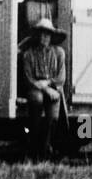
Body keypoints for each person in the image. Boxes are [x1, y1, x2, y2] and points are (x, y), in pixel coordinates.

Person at [20, 17, 68, 158]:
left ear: (51, 37)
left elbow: (61, 78)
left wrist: (47, 84)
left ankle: (45, 149)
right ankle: (34, 148)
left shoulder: (59, 53)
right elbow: (28, 79)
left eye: (47, 34)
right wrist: (44, 88)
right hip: (35, 88)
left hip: (53, 88)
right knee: (37, 99)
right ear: (37, 35)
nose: (44, 37)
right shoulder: (28, 54)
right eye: (41, 34)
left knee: (53, 118)